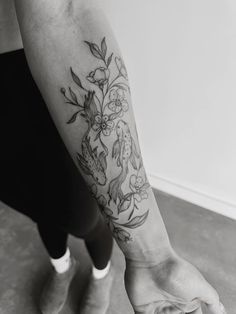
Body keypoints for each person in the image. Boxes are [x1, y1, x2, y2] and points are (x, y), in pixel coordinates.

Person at [0, 0, 226, 313]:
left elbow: (62, 11)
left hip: (27, 66)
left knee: (82, 213)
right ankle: (62, 266)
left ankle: (101, 272)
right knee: (34, 201)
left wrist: (153, 258)